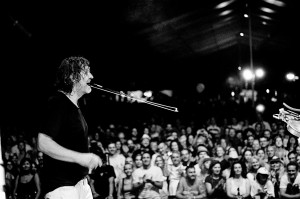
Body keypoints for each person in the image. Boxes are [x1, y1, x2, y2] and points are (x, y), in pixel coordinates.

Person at [37, 56, 102, 199]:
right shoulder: (58, 102)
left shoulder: (75, 106)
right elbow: (43, 142)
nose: (91, 76)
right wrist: (80, 157)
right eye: (87, 72)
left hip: (80, 184)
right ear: (73, 77)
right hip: (62, 188)